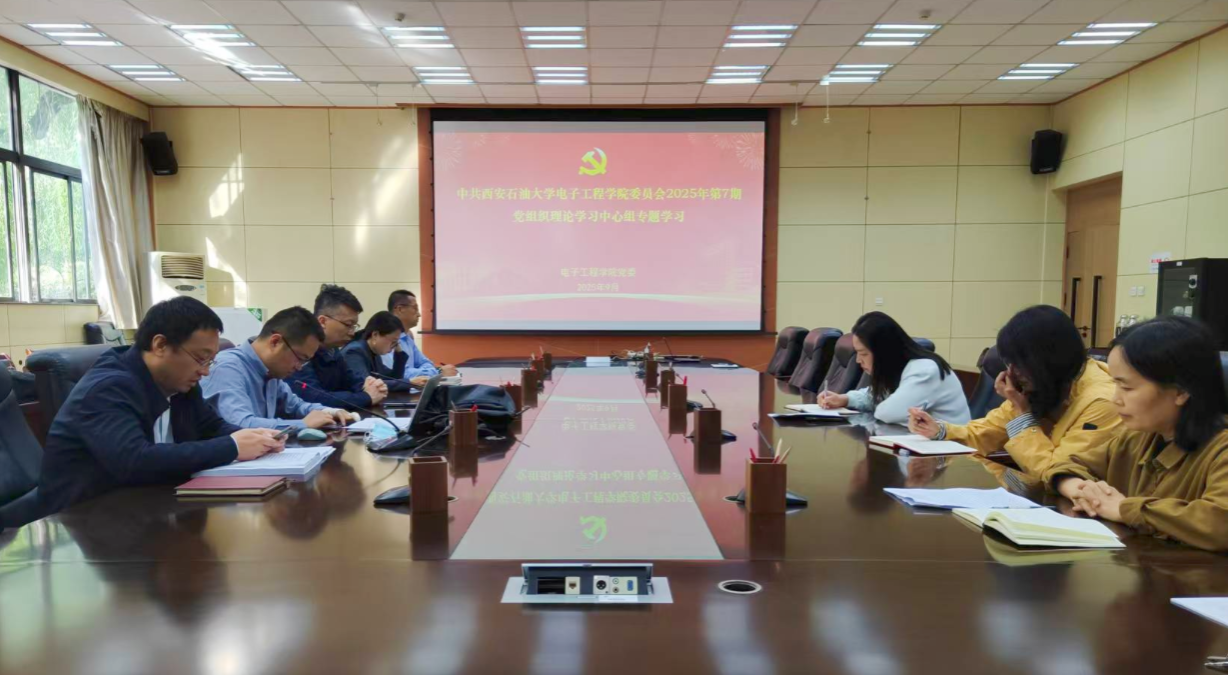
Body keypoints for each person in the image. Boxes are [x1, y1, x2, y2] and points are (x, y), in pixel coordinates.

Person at [34, 297, 285, 515]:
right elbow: (134, 460)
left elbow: (212, 426)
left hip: (150, 509)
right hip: (82, 520)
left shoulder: (180, 384)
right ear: (160, 345)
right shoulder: (108, 388)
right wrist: (232, 446)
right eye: (201, 359)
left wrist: (255, 437)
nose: (205, 371)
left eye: (211, 361)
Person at [1043, 316, 1228, 552]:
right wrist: (1079, 489)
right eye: (1115, 385)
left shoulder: (1221, 449)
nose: (1116, 399)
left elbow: (1219, 523)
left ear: (1181, 392)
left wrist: (1124, 509)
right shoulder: (1137, 437)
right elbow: (1067, 464)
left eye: (1127, 387)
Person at [908, 305, 1120, 490]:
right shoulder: (1047, 383)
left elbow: (1055, 473)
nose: (1011, 372)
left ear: (1048, 359)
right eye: (1009, 363)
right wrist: (939, 430)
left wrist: (1021, 412)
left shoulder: (1102, 402)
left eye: (1018, 363)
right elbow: (986, 433)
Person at [201, 306, 354, 430]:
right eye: (300, 358)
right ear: (275, 342)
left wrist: (329, 412)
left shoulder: (271, 371)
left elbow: (296, 406)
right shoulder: (227, 368)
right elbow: (240, 424)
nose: (299, 367)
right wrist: (302, 425)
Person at [817, 312, 969, 425]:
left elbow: (888, 412)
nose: (858, 360)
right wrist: (844, 399)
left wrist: (878, 403)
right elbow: (875, 396)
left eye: (863, 354)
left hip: (950, 451)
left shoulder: (925, 371)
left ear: (884, 352)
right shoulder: (899, 368)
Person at [287, 284, 387, 410]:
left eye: (354, 326)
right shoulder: (300, 349)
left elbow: (353, 382)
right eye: (348, 325)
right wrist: (365, 397)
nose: (352, 332)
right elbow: (314, 398)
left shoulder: (333, 349)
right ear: (323, 321)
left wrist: (373, 387)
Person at [386, 289, 457, 385]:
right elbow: (401, 374)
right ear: (400, 309)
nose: (419, 314)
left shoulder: (408, 336)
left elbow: (425, 362)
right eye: (415, 308)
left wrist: (432, 371)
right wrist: (438, 372)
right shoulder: (387, 338)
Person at [343, 311, 414, 392]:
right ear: (375, 335)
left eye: (396, 343)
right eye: (393, 341)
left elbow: (393, 378)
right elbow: (367, 385)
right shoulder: (354, 352)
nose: (394, 346)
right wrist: (410, 383)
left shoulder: (374, 353)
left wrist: (399, 353)